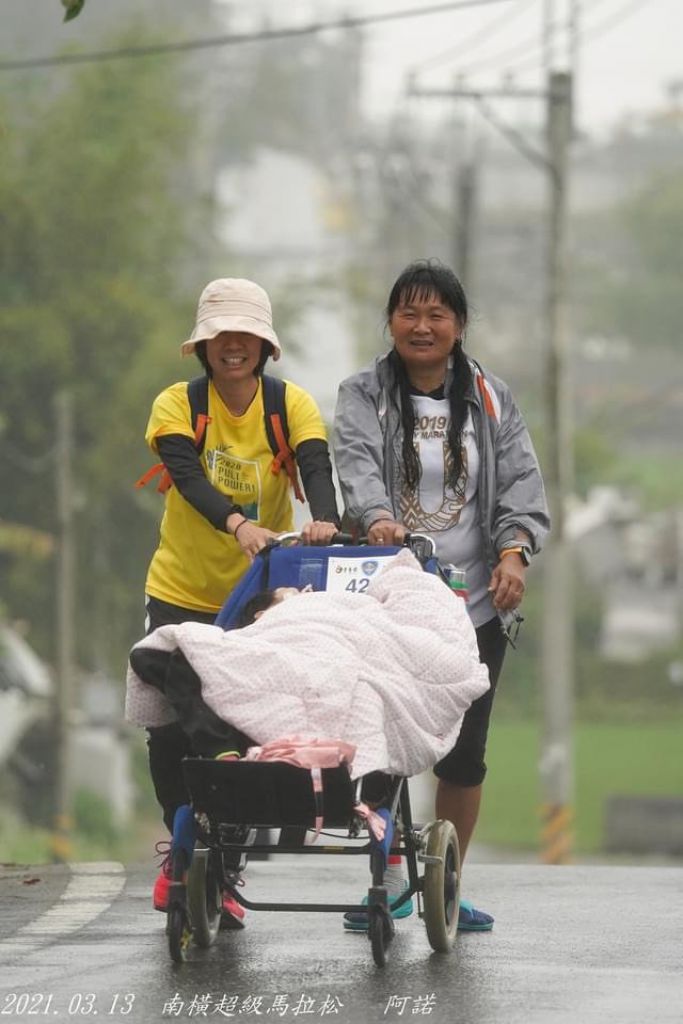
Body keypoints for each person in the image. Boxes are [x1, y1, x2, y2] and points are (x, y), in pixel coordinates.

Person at [333, 258, 549, 932]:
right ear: (391, 322)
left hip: (472, 606)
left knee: (465, 753)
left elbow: (519, 482)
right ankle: (387, 880)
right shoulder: (362, 393)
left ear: (459, 325)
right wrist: (376, 519)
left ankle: (446, 882)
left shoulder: (490, 397)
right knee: (382, 741)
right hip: (389, 599)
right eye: (409, 313)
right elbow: (356, 464)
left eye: (437, 315)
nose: (421, 326)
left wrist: (513, 554)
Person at [140, 277, 340, 921]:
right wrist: (238, 524)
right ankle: (182, 844)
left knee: (242, 730)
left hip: (255, 599)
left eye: (246, 335)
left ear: (264, 346)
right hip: (179, 592)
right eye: (221, 335)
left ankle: (225, 861)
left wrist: (324, 521)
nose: (234, 346)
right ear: (203, 345)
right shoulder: (177, 404)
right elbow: (186, 476)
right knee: (169, 729)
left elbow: (315, 466)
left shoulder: (290, 404)